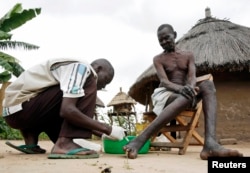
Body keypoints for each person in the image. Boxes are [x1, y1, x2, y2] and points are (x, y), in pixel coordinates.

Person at [123, 24, 243, 160]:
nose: (164, 42)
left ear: (174, 34)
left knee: (208, 85)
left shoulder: (188, 55)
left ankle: (210, 144)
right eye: (160, 40)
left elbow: (192, 76)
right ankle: (141, 139)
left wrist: (190, 87)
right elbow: (164, 81)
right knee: (184, 96)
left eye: (166, 38)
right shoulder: (158, 59)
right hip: (166, 93)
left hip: (185, 93)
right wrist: (182, 89)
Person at [2, 58, 126, 159]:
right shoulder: (82, 69)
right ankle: (64, 143)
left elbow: (65, 111)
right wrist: (109, 129)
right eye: (106, 80)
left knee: (69, 98)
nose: (104, 86)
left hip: (16, 114)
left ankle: (31, 139)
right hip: (23, 110)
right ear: (98, 69)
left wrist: (103, 134)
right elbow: (67, 110)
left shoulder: (69, 70)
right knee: (77, 93)